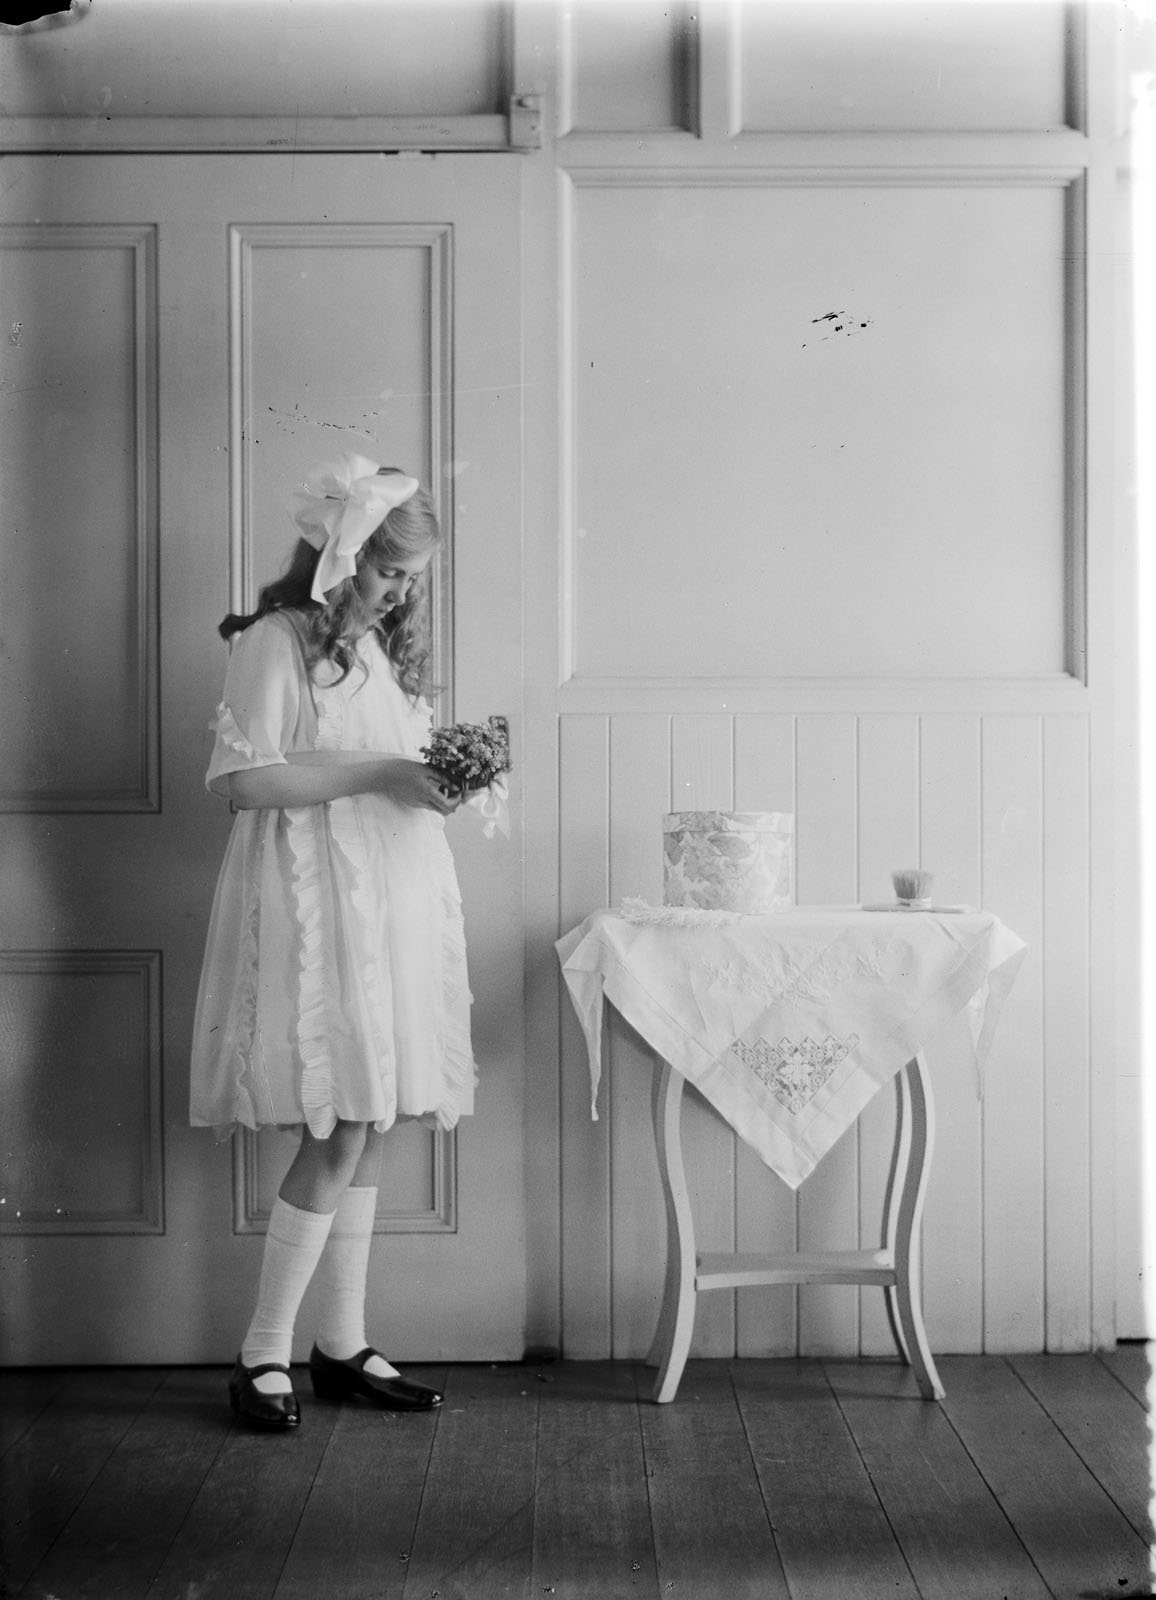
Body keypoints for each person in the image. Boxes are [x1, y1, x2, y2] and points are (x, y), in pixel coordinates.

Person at [190, 452, 475, 1431]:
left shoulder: (376, 655)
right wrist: (378, 776)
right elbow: (243, 781)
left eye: (410, 580)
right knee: (339, 1119)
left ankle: (340, 1343)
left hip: (385, 895)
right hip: (320, 900)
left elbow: (385, 764)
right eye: (391, 574)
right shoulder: (275, 640)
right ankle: (262, 1352)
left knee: (373, 1113)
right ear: (345, 554)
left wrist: (434, 779)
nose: (401, 594)